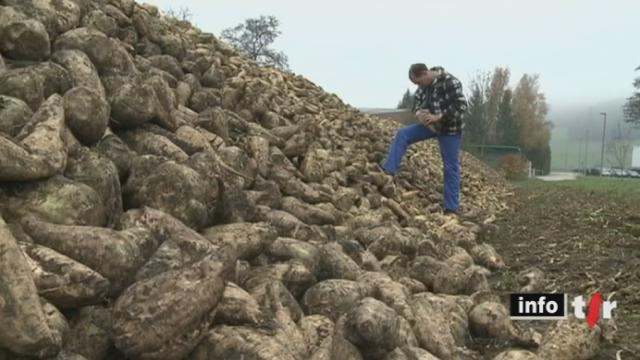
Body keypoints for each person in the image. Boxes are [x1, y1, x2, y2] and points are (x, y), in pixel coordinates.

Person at [382, 63, 468, 215]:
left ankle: (451, 208)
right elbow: (416, 104)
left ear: (424, 74)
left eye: (418, 82)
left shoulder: (450, 82)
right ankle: (388, 172)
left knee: (450, 166)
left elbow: (461, 106)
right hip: (430, 126)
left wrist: (439, 116)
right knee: (403, 134)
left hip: (450, 129)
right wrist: (419, 114)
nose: (418, 86)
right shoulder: (423, 87)